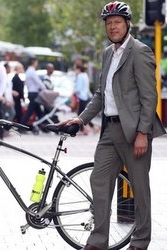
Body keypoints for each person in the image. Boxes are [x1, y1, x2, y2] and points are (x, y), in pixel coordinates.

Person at [58, 2, 166, 250]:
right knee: (99, 182)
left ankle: (139, 242)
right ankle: (98, 241)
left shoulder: (140, 52)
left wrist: (142, 133)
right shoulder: (107, 53)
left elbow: (150, 97)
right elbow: (100, 94)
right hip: (109, 131)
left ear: (127, 24)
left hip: (134, 132)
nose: (113, 27)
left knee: (139, 189)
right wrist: (81, 119)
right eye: (109, 23)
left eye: (117, 22)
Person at [20, 57, 46, 131]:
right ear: (33, 62)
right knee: (30, 111)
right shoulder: (31, 71)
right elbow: (38, 82)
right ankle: (21, 127)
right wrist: (45, 89)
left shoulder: (29, 71)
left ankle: (44, 126)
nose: (37, 64)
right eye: (36, 62)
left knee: (39, 112)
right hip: (33, 93)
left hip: (31, 93)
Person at [73, 63, 99, 135]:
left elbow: (78, 88)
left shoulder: (80, 76)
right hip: (86, 96)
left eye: (75, 69)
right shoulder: (85, 75)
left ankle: (83, 130)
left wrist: (72, 93)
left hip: (82, 97)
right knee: (83, 114)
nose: (74, 71)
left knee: (80, 115)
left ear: (78, 69)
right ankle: (91, 128)